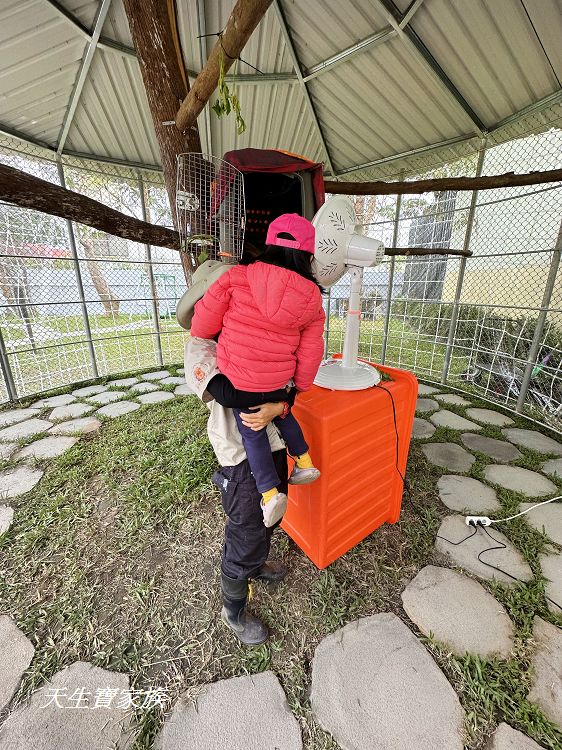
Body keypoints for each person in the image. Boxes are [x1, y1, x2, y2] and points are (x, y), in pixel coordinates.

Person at [190, 214, 326, 529]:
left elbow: (204, 323)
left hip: (239, 382)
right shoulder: (312, 297)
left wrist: (204, 333)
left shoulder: (237, 276)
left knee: (252, 432)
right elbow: (310, 350)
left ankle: (269, 493)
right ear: (307, 254)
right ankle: (304, 462)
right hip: (278, 383)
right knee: (283, 413)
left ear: (268, 245)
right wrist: (299, 386)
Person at [184, 335, 291, 645]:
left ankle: (256, 567)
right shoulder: (201, 345)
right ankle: (233, 611)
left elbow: (291, 387)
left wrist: (279, 405)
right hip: (240, 457)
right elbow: (227, 393)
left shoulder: (260, 332)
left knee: (271, 518)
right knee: (246, 530)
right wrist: (275, 397)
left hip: (274, 446)